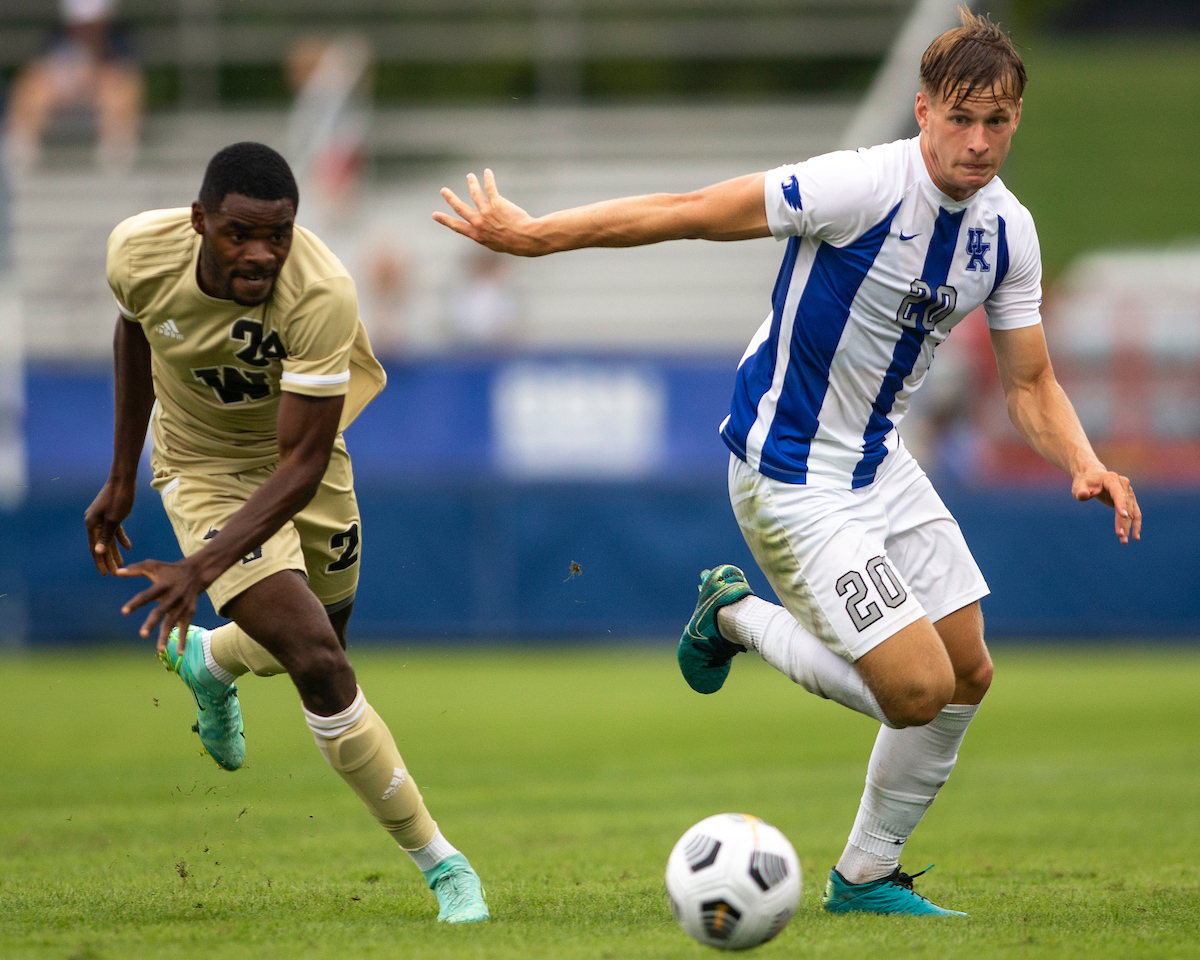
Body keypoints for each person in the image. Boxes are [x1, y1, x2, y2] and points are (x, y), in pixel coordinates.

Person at [433, 10, 1140, 916]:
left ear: (1016, 121)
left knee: (970, 674)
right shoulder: (858, 186)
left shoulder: (1007, 232)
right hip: (788, 473)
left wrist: (1083, 460)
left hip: (878, 467)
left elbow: (1031, 383)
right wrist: (536, 236)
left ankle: (866, 876)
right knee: (917, 690)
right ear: (921, 111)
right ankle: (735, 617)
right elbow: (690, 212)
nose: (977, 141)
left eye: (997, 122)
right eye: (959, 118)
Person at [84, 142, 489, 924]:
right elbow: (136, 329)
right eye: (240, 233)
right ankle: (444, 866)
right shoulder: (136, 250)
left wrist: (199, 568)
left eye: (279, 234)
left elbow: (302, 462)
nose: (261, 254)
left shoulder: (321, 291)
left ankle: (209, 661)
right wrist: (124, 474)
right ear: (201, 221)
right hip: (199, 466)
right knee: (319, 664)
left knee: (317, 638)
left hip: (300, 463)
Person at [4, 0, 143, 174]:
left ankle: (117, 152)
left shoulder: (119, 40)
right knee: (32, 85)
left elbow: (124, 76)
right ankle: (20, 151)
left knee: (120, 87)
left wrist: (91, 77)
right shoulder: (56, 37)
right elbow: (38, 71)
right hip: (62, 94)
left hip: (98, 95)